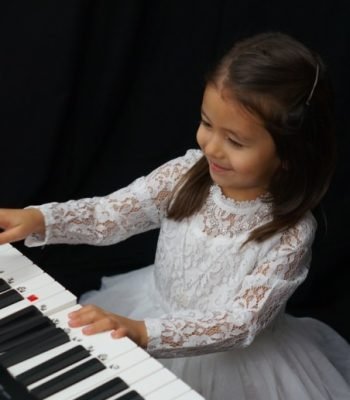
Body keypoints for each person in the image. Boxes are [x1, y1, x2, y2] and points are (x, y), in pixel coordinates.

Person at [0, 32, 349, 399]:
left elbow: (239, 322)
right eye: (207, 123)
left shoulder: (291, 232)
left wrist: (143, 331)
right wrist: (41, 220)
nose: (211, 146)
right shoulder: (185, 174)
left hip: (233, 364)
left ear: (289, 155)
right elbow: (113, 214)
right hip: (149, 304)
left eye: (235, 141)